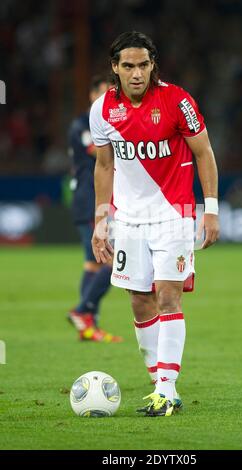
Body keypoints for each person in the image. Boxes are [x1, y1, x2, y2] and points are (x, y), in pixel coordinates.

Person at [90, 32, 219, 416]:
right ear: (115, 68)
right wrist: (101, 221)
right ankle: (156, 381)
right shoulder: (102, 110)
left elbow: (204, 152)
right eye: (127, 66)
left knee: (167, 295)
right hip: (128, 219)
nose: (136, 73)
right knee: (139, 301)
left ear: (153, 66)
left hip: (174, 214)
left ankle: (168, 388)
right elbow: (104, 165)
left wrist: (209, 208)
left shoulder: (178, 100)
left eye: (143, 65)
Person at [68, 76, 123, 343]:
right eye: (102, 93)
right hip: (90, 200)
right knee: (112, 262)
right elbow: (98, 153)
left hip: (91, 199)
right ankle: (83, 311)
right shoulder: (83, 124)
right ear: (92, 95)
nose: (107, 99)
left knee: (92, 263)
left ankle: (88, 327)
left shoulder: (100, 123)